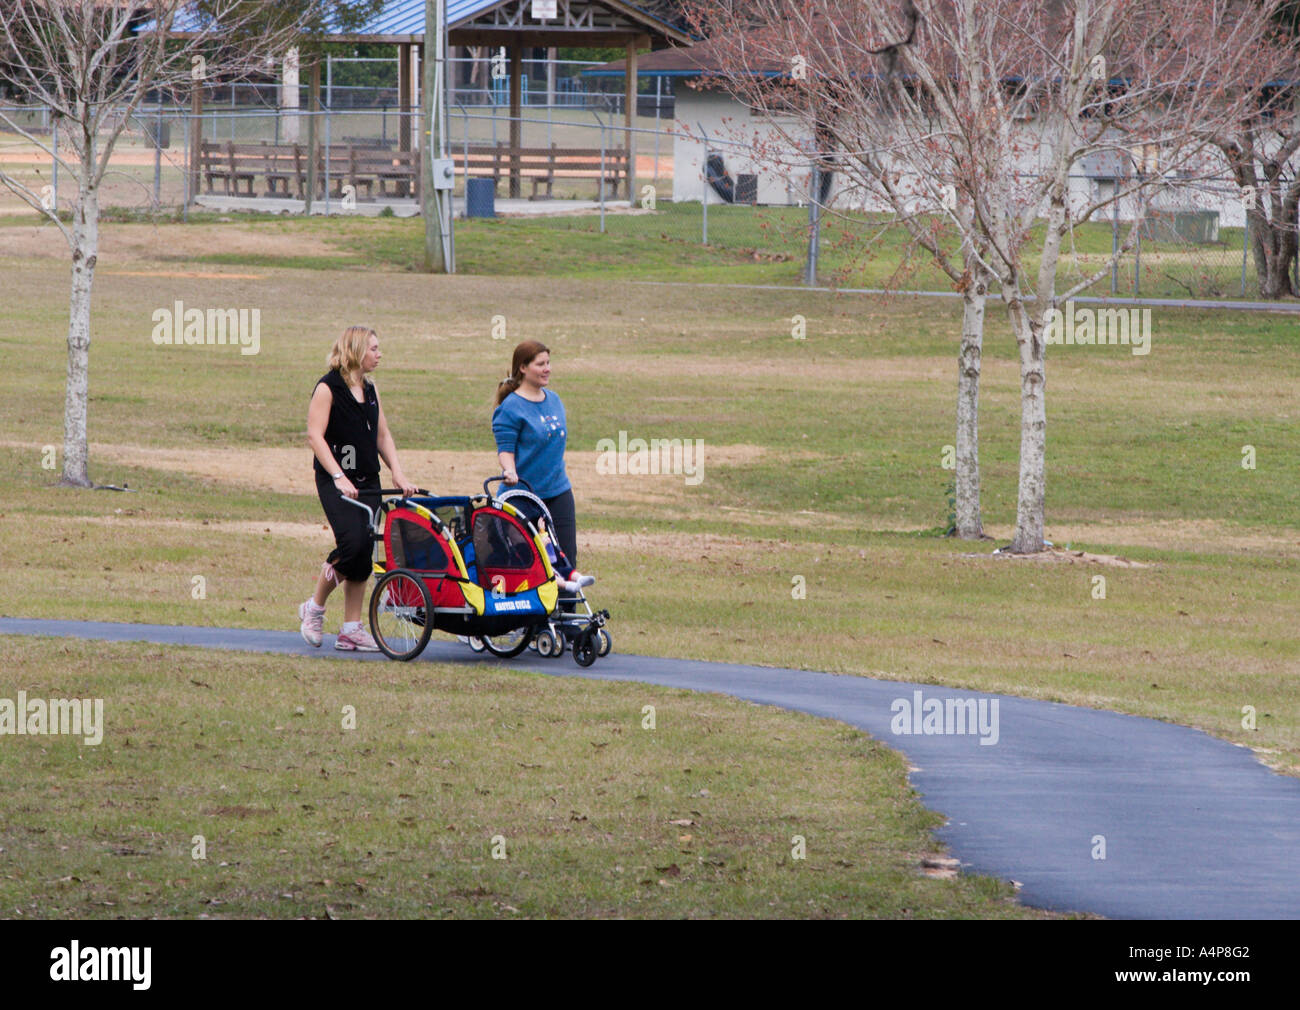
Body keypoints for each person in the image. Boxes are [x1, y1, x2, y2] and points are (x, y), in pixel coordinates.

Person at [300, 326, 417, 650]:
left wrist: (398, 473)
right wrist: (338, 476)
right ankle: (315, 608)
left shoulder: (371, 389)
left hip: (368, 480)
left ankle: (351, 627)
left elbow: (382, 436)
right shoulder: (328, 388)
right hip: (336, 480)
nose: (380, 354)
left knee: (365, 550)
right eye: (374, 349)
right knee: (351, 545)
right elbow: (315, 436)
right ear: (355, 350)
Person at [492, 340, 592, 593]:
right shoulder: (511, 408)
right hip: (523, 497)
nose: (547, 369)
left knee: (566, 559)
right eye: (540, 364)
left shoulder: (554, 400)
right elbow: (505, 449)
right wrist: (509, 471)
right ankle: (540, 623)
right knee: (535, 565)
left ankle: (568, 626)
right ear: (523, 368)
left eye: (548, 363)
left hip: (558, 491)